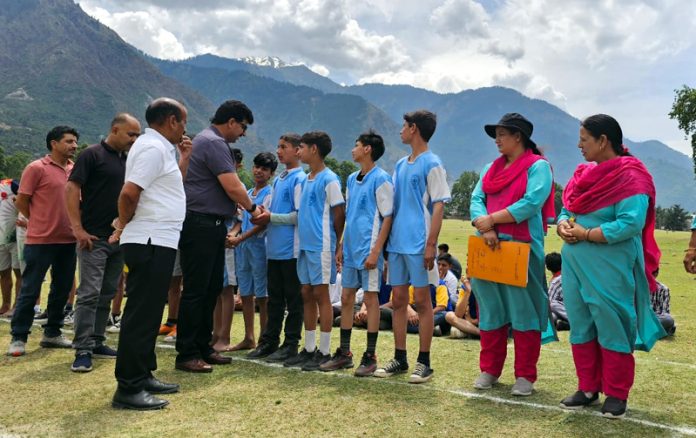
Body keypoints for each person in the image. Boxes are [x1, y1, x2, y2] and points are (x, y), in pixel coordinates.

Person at [556, 114, 666, 418]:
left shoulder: (632, 177)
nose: (579, 145)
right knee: (580, 322)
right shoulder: (583, 173)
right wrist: (564, 224)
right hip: (575, 264)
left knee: (612, 322)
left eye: (584, 139)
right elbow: (568, 206)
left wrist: (587, 234)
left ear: (603, 141)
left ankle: (617, 393)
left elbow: (631, 222)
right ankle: (587, 387)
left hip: (610, 264)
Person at [109, 98, 192, 410]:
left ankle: (142, 374)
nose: (184, 129)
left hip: (158, 239)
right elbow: (130, 192)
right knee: (141, 314)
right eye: (182, 122)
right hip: (148, 239)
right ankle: (128, 387)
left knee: (149, 311)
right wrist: (124, 225)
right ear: (171, 120)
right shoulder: (152, 148)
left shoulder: (159, 148)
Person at [470, 113, 555, 396]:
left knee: (524, 311)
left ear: (518, 137)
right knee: (491, 309)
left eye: (502, 134)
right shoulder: (489, 169)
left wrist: (492, 220)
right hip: (489, 245)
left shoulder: (538, 167)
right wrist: (486, 228)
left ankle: (525, 376)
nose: (497, 139)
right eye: (496, 134)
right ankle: (490, 370)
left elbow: (532, 202)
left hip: (522, 248)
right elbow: (476, 199)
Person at [175, 100, 261, 373]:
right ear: (232, 121)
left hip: (211, 225)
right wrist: (253, 208)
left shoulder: (209, 141)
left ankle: (202, 347)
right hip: (200, 224)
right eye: (243, 127)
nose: (243, 133)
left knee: (210, 288)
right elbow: (232, 185)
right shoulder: (213, 143)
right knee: (197, 290)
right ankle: (187, 352)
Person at [375, 109, 450, 384]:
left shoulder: (433, 163)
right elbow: (392, 207)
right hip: (397, 245)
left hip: (419, 244)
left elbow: (439, 204)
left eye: (404, 126)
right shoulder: (400, 165)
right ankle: (400, 357)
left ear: (414, 129)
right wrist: (385, 247)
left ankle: (424, 362)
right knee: (398, 302)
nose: (400, 131)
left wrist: (431, 244)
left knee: (422, 302)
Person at [66, 113, 141, 373]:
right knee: (88, 294)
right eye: (131, 134)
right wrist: (77, 229)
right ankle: (82, 349)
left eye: (137, 135)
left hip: (119, 239)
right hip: (93, 238)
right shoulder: (92, 155)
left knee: (107, 292)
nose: (134, 139)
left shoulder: (129, 160)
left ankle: (97, 341)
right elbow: (72, 189)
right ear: (115, 129)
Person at [319, 131, 393, 377]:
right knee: (348, 297)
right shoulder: (351, 178)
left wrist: (376, 252)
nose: (353, 149)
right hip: (350, 249)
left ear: (368, 149)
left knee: (371, 300)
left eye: (356, 145)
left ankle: (370, 356)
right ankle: (345, 353)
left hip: (369, 250)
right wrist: (340, 245)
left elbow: (387, 218)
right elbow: (350, 215)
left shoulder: (381, 178)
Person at [7, 126, 79, 357]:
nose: (74, 146)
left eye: (75, 141)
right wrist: (36, 220)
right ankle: (18, 337)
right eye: (68, 141)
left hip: (68, 240)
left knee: (61, 289)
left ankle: (53, 333)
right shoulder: (36, 168)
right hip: (40, 240)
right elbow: (21, 200)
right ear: (53, 143)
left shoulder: (74, 170)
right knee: (30, 288)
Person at [282, 131, 345, 371]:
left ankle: (325, 350)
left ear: (314, 149)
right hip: (306, 247)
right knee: (306, 293)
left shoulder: (330, 179)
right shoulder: (306, 179)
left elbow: (340, 214)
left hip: (322, 246)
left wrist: (338, 244)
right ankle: (308, 349)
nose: (298, 151)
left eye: (302, 147)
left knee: (321, 295)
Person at [247, 134, 307, 363]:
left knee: (294, 300)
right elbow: (271, 214)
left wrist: (272, 217)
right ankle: (269, 341)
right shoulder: (279, 180)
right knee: (274, 300)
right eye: (278, 146)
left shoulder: (300, 179)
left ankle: (291, 344)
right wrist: (262, 214)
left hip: (291, 251)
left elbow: (300, 216)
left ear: (298, 151)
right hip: (273, 250)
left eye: (284, 147)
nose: (279, 151)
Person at [226, 152, 277, 350]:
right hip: (242, 247)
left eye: (264, 169)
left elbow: (262, 224)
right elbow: (240, 221)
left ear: (271, 173)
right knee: (245, 292)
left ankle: (264, 339)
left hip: (259, 247)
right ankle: (249, 337)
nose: (258, 171)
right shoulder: (247, 193)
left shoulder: (270, 194)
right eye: (257, 167)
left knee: (262, 296)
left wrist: (240, 238)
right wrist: (232, 234)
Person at [0, 179, 21, 317]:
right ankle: (5, 304)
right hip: (0, 240)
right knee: (4, 273)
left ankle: (17, 306)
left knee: (19, 272)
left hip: (16, 237)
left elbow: (27, 199)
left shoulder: (10, 184)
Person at [545, 252, 569, 331]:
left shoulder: (556, 281)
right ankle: (564, 324)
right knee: (553, 314)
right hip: (566, 307)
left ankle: (572, 321)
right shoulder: (567, 275)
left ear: (548, 268)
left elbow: (549, 302)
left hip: (568, 308)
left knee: (551, 304)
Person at [651, 270, 675, 336]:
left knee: (668, 319)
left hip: (655, 319)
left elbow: (664, 312)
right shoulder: (636, 287)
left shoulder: (663, 289)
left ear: (656, 274)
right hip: (639, 319)